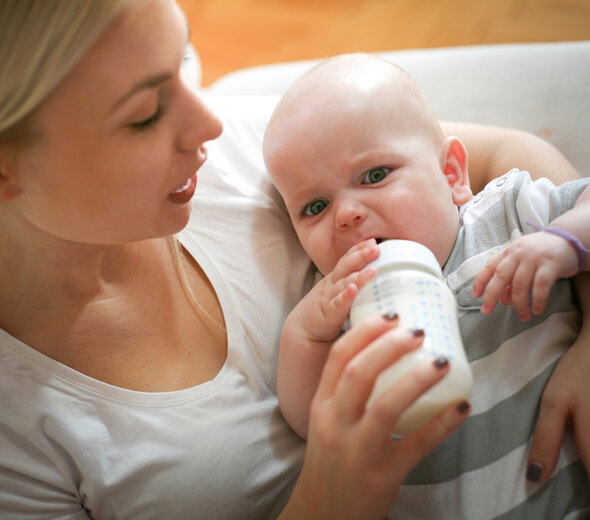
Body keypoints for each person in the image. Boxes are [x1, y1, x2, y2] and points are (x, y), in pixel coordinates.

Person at [0, 1, 586, 518]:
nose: (212, 123)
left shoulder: (271, 148)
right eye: (144, 115)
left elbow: (511, 155)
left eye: (183, 62)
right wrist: (333, 494)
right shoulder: (18, 441)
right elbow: (303, 406)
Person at [263, 53, 590, 518]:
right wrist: (306, 334)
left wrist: (565, 241)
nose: (346, 213)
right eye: (314, 207)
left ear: (452, 174)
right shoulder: (347, 309)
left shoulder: (509, 215)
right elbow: (310, 425)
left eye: (374, 176)